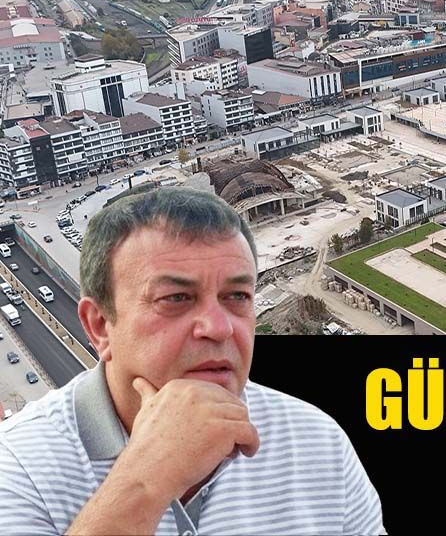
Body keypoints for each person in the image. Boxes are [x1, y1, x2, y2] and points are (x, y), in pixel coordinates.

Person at [0, 187, 384, 534]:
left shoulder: (317, 441)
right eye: (176, 299)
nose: (219, 327)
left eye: (237, 296)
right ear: (100, 325)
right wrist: (146, 479)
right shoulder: (18, 467)